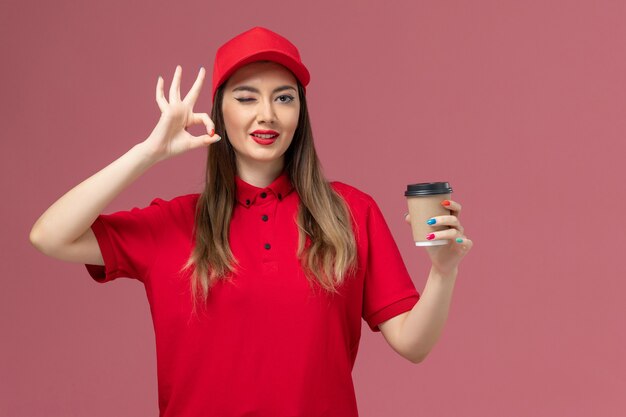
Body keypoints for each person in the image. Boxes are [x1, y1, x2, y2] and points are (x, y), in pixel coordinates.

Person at [30, 26, 473, 417]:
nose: (268, 114)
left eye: (284, 97)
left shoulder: (350, 213)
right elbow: (49, 235)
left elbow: (413, 344)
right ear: (220, 110)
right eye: (246, 97)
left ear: (301, 114)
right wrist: (148, 152)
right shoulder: (173, 222)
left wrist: (443, 270)